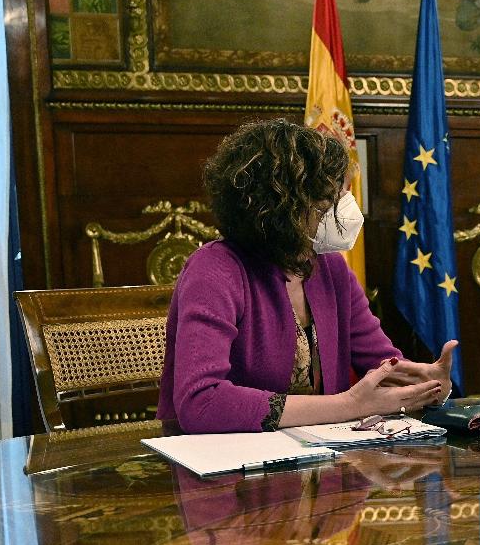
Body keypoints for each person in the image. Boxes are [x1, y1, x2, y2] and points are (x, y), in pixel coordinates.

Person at [158, 118, 454, 434]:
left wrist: (429, 386)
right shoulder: (214, 270)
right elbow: (201, 403)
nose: (347, 208)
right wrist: (350, 405)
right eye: (331, 197)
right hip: (224, 470)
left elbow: (384, 368)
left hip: (318, 463)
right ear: (281, 206)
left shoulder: (331, 269)